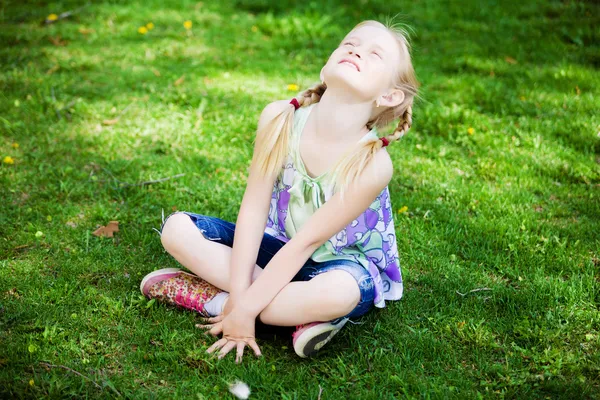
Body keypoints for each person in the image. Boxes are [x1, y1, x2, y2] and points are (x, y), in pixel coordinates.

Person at [140, 19, 420, 363]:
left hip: (340, 267)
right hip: (278, 248)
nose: (355, 50)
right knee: (176, 230)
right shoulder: (279, 118)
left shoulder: (373, 164)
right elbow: (254, 210)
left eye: (374, 54)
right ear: (326, 65)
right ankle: (290, 317)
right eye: (350, 43)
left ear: (389, 96)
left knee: (339, 294)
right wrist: (243, 298)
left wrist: (245, 307)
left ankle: (214, 300)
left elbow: (308, 242)